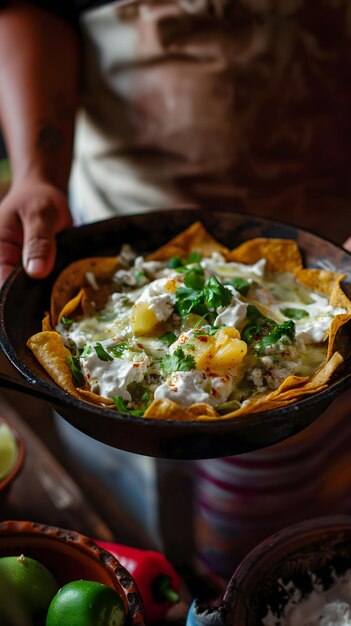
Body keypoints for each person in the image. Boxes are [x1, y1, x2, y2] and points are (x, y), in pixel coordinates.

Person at [1, 0, 351, 579]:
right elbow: (35, 8)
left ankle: (238, 588)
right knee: (115, 507)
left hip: (326, 234)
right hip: (111, 234)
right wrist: (36, 174)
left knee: (263, 526)